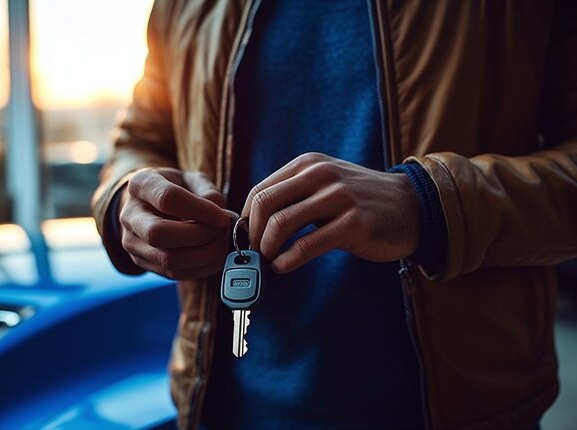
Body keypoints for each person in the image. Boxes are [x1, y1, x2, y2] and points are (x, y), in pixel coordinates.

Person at [92, 1, 577, 429]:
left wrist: (428, 203)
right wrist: (125, 204)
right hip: (221, 409)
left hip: (462, 409)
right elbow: (141, 141)